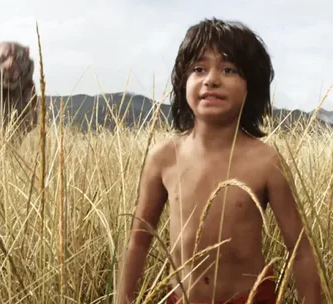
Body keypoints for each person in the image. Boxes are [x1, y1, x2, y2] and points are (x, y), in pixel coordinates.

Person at [117, 17, 323, 304]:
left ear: (252, 85)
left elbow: (300, 250)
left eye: (228, 69)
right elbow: (138, 241)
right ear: (182, 82)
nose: (211, 79)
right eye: (199, 69)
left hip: (250, 298)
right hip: (181, 298)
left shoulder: (266, 161)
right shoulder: (164, 158)